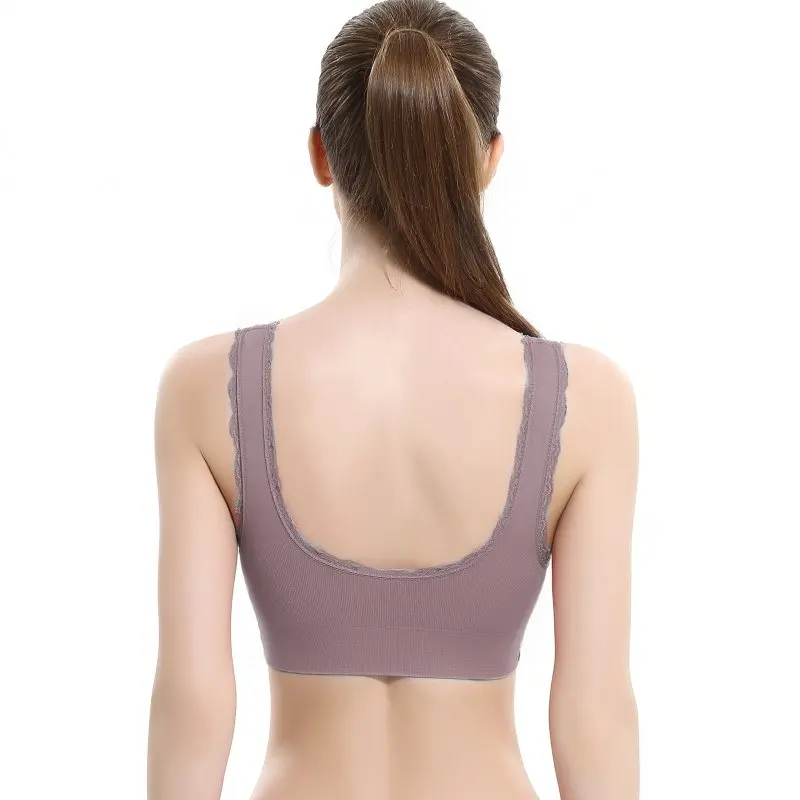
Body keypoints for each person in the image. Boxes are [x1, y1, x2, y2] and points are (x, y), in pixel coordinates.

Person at [146, 1, 640, 798]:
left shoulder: (207, 388)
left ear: (321, 154)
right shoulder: (588, 399)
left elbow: (193, 707)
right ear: (488, 160)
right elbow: (594, 719)